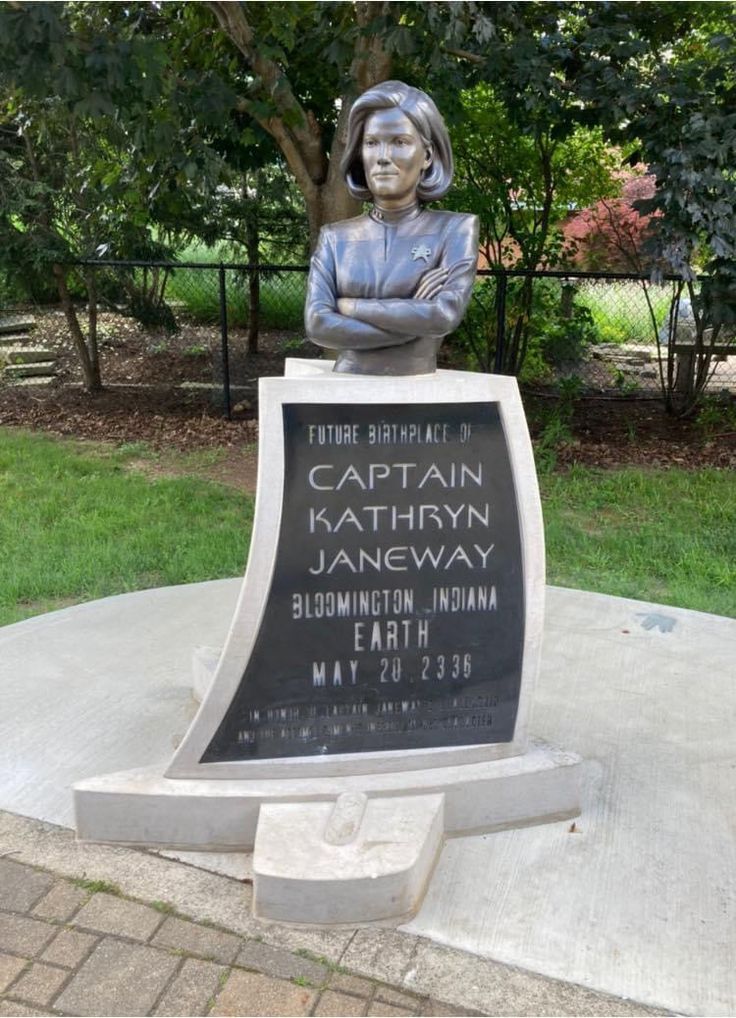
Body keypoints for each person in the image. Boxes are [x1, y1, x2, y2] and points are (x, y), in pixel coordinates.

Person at [305, 80, 479, 375]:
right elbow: (318, 324)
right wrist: (412, 322)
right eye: (372, 143)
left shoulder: (456, 230)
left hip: (417, 385)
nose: (383, 156)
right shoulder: (335, 238)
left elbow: (443, 315)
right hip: (348, 385)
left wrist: (350, 307)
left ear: (427, 155)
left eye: (399, 142)